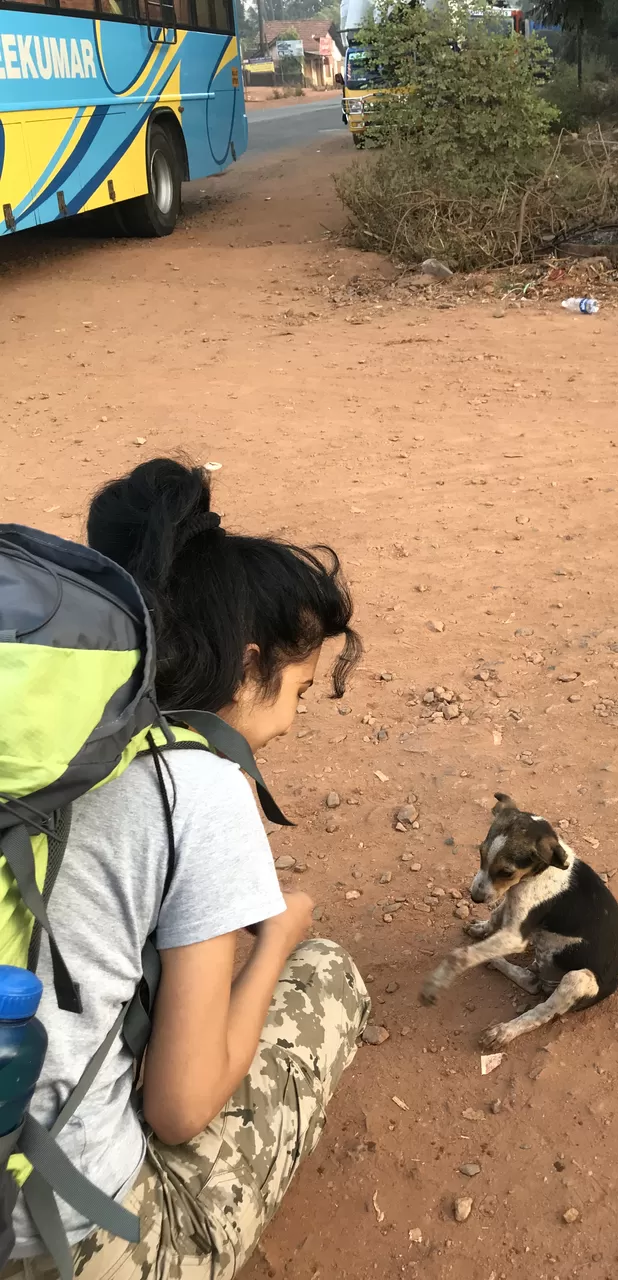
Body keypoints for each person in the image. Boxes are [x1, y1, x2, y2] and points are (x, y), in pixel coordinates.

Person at [4, 458, 369, 1280]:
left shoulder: (47, 748)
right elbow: (179, 1107)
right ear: (248, 666)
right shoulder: (199, 786)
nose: (295, 719)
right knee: (327, 975)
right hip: (64, 1237)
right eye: (300, 690)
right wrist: (274, 940)